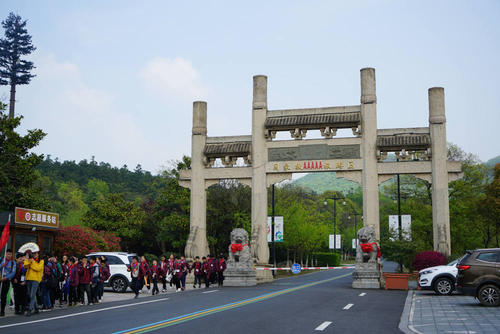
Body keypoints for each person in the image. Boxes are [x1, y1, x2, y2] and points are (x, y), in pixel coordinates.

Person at [24, 250, 44, 317]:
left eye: (36, 253)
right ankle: (36, 308)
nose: (35, 254)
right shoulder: (31, 260)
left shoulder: (41, 261)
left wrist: (32, 262)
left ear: (38, 254)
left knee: (32, 295)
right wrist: (27, 259)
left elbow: (37, 268)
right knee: (31, 295)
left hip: (35, 280)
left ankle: (30, 309)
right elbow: (25, 266)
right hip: (28, 279)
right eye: (33, 253)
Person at [0, 249, 16, 316]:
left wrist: (6, 278)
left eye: (10, 254)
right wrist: (1, 266)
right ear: (5, 254)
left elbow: (13, 272)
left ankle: (2, 311)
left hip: (6, 281)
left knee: (3, 296)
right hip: (0, 278)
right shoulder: (1, 260)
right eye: (8, 254)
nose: (9, 255)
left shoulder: (13, 263)